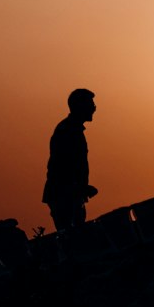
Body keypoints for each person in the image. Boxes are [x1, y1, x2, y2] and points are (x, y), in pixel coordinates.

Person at [42, 88, 98, 232]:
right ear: (81, 106)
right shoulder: (68, 131)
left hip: (69, 193)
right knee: (72, 236)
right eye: (91, 104)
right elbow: (63, 168)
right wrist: (79, 188)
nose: (94, 108)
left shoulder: (72, 130)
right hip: (64, 195)